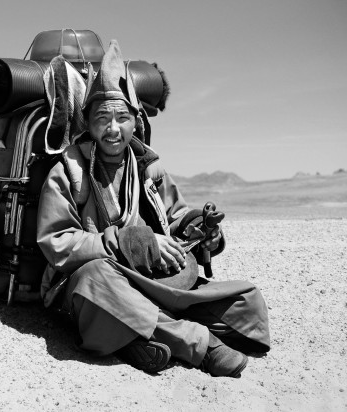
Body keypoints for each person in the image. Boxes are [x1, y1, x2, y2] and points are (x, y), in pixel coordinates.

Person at [36, 40, 270, 377]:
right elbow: (56, 242)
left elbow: (176, 218)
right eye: (102, 118)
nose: (112, 128)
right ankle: (197, 343)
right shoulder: (69, 171)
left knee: (245, 300)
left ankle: (138, 336)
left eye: (121, 118)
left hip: (151, 280)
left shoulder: (150, 168)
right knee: (97, 280)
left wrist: (200, 232)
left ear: (135, 121)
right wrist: (131, 242)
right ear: (88, 122)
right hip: (89, 280)